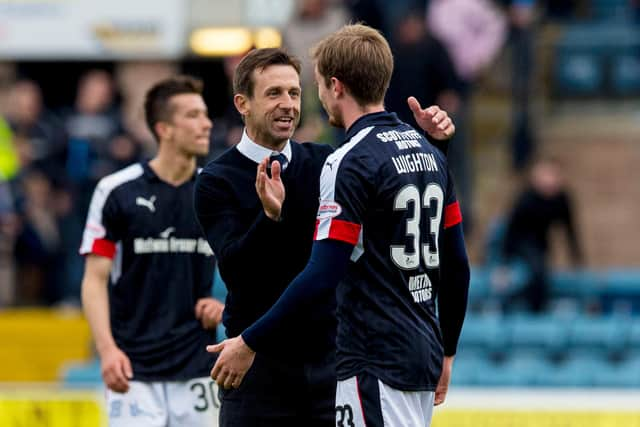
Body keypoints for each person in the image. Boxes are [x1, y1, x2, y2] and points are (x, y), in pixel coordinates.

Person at [208, 25, 470, 427]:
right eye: (276, 93)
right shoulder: (426, 151)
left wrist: (248, 340)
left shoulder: (341, 160)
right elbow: (457, 266)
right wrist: (447, 350)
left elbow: (323, 272)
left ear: (334, 86)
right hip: (410, 356)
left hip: (367, 359)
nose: (293, 103)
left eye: (300, 90)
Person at [80, 76, 224, 427]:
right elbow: (94, 280)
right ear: (165, 129)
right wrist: (107, 350)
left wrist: (227, 307)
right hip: (133, 371)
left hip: (198, 369)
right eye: (192, 115)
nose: (206, 123)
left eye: (204, 114)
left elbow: (251, 268)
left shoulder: (217, 194)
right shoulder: (115, 191)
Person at [501, 156, 582, 312]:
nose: (549, 181)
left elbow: (570, 230)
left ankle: (537, 308)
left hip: (540, 243)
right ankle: (528, 306)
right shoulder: (527, 198)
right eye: (545, 176)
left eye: (553, 176)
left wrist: (576, 258)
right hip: (519, 241)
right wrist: (504, 262)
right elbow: (511, 228)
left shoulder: (562, 199)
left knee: (541, 272)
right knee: (536, 269)